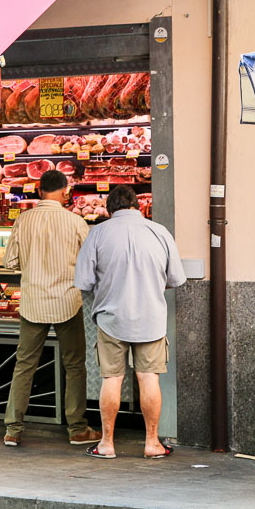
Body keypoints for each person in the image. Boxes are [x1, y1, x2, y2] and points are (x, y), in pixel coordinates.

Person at [74, 185, 186, 459]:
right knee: (148, 378)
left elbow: (84, 281)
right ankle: (151, 443)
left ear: (110, 209)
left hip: (111, 318)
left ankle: (107, 444)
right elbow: (176, 279)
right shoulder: (159, 232)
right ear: (136, 205)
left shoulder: (98, 233)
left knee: (111, 378)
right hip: (151, 319)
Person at [1, 170, 98, 447]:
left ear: (39, 190)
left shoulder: (23, 220)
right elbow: (89, 264)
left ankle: (13, 429)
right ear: (66, 191)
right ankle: (78, 428)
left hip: (32, 301)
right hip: (67, 301)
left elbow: (10, 262)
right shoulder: (76, 221)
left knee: (24, 366)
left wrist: (33, 267)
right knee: (75, 365)